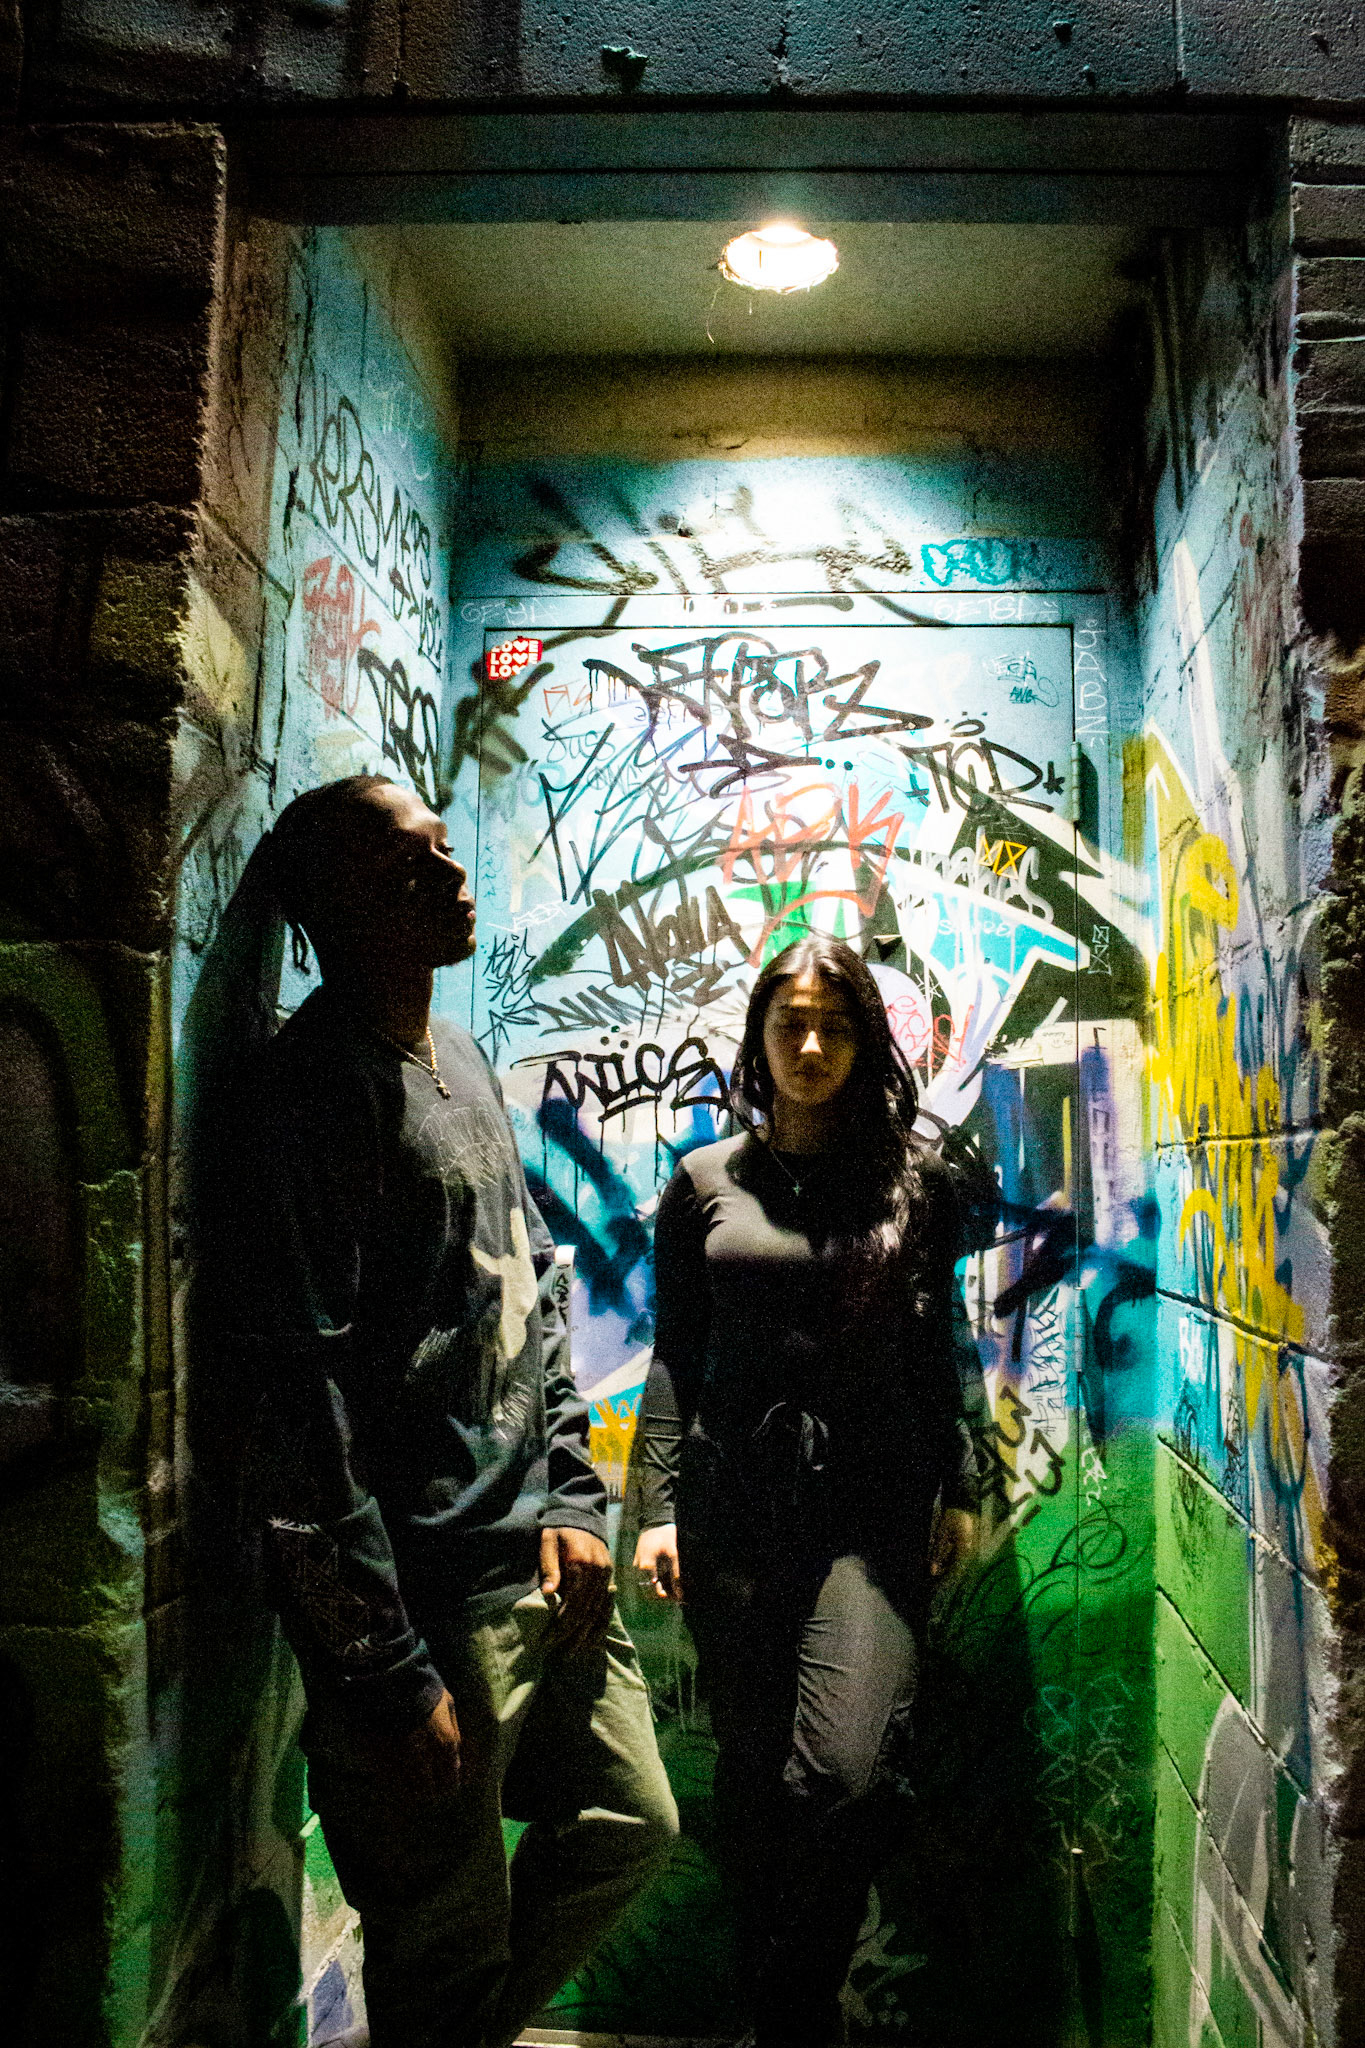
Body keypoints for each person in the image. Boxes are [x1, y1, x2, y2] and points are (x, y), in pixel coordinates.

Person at [209, 774, 678, 2048]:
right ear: (338, 908)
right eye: (410, 866)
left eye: (444, 850)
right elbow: (298, 1409)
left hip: (542, 1566)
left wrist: (574, 1492)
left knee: (635, 1822)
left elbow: (531, 1291)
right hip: (429, 1603)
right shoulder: (309, 1095)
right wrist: (380, 1664)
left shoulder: (458, 1056)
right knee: (443, 1942)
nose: (452, 875)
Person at [632, 933, 987, 2048]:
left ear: (865, 1041)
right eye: (791, 1023)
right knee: (749, 1781)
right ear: (759, 1036)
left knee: (843, 1774)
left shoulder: (916, 1183)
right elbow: (675, 1353)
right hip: (731, 1508)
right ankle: (785, 2020)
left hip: (869, 1512)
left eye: (834, 1025)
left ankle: (788, 2019)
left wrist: (960, 1480)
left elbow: (939, 1343)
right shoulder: (703, 1183)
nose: (812, 1045)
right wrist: (652, 1506)